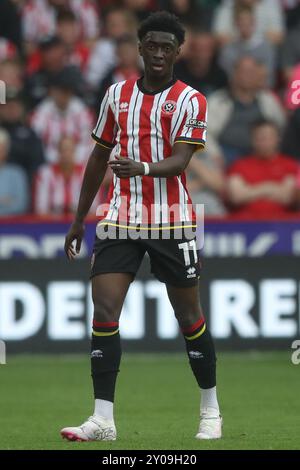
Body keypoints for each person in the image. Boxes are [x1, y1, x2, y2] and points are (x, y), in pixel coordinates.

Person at [61, 11, 222, 442]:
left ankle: (210, 409)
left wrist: (143, 167)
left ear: (177, 51)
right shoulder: (116, 95)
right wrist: (80, 218)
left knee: (189, 316)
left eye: (166, 46)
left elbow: (182, 160)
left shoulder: (192, 100)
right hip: (119, 217)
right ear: (140, 47)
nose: (158, 52)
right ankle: (102, 419)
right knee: (105, 309)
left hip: (174, 219)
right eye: (151, 44)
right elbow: (98, 158)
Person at [226, 120, 298, 219]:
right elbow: (237, 197)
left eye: (269, 137)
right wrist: (268, 188)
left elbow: (288, 197)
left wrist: (251, 191)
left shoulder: (289, 165)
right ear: (253, 140)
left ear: (278, 138)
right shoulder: (239, 165)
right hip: (244, 223)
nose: (265, 142)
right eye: (261, 138)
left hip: (283, 224)